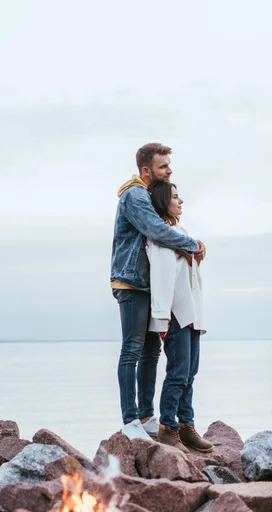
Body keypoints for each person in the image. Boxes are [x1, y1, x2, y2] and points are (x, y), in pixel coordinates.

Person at [111, 143, 206, 440]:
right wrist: (193, 244)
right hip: (131, 283)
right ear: (146, 170)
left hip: (147, 285)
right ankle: (130, 420)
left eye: (169, 165)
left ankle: (146, 415)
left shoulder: (147, 195)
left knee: (151, 352)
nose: (169, 171)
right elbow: (156, 230)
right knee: (132, 350)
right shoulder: (135, 195)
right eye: (164, 166)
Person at [146, 181, 213, 453]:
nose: (181, 201)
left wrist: (197, 254)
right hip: (175, 314)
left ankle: (187, 425)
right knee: (178, 373)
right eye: (175, 196)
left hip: (192, 314)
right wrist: (162, 317)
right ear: (163, 201)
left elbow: (190, 277)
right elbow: (161, 278)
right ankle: (167, 427)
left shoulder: (181, 233)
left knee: (190, 373)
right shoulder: (161, 237)